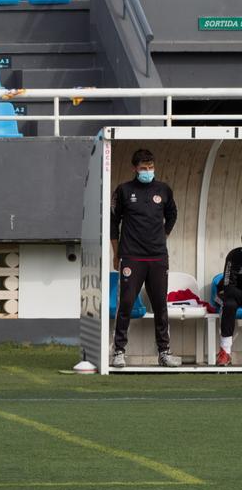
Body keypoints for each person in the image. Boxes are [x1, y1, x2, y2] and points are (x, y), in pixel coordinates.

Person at [111, 148, 180, 368]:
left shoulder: (164, 190)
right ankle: (119, 351)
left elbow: (172, 215)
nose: (147, 171)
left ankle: (164, 352)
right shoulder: (123, 190)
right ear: (135, 168)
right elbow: (113, 223)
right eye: (143, 168)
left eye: (150, 168)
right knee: (127, 303)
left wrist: (163, 236)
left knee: (160, 305)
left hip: (158, 257)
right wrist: (116, 253)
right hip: (132, 256)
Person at [215, 243, 242, 366]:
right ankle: (225, 352)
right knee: (229, 305)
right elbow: (228, 286)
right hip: (231, 294)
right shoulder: (234, 255)